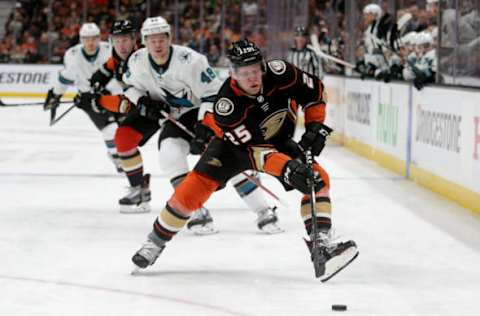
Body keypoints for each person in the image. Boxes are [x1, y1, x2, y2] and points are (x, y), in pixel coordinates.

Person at [131, 39, 359, 281]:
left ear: (262, 66)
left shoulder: (281, 72)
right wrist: (287, 169)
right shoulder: (227, 106)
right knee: (188, 195)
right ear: (233, 73)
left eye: (255, 70)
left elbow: (314, 91)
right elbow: (254, 153)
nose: (253, 78)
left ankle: (321, 245)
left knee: (317, 178)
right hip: (231, 150)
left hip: (278, 141)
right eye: (245, 73)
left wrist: (315, 126)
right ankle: (154, 244)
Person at [114, 17, 283, 234]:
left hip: (206, 114)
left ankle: (264, 210)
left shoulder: (191, 60)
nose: (157, 44)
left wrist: (205, 126)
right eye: (152, 40)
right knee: (169, 154)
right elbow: (128, 86)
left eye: (161, 39)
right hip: (176, 118)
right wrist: (143, 101)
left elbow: (214, 93)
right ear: (144, 41)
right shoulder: (137, 61)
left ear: (169, 38)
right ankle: (197, 211)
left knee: (228, 161)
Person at [43, 23, 122, 172]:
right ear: (81, 39)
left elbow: (119, 74)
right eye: (86, 39)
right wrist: (55, 95)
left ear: (99, 38)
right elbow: (65, 78)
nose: (90, 43)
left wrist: (109, 89)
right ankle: (115, 156)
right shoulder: (72, 55)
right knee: (110, 129)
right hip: (88, 100)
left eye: (94, 38)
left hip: (111, 95)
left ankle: (118, 154)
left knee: (121, 127)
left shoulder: (109, 50)